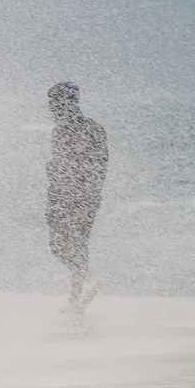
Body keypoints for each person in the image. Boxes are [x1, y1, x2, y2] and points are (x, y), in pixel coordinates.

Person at [45, 80, 108, 311]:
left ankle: (83, 287)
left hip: (73, 196)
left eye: (54, 103)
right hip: (78, 195)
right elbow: (100, 164)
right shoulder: (88, 128)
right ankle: (79, 293)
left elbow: (85, 165)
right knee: (71, 245)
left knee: (65, 245)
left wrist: (77, 190)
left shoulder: (72, 130)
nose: (51, 109)